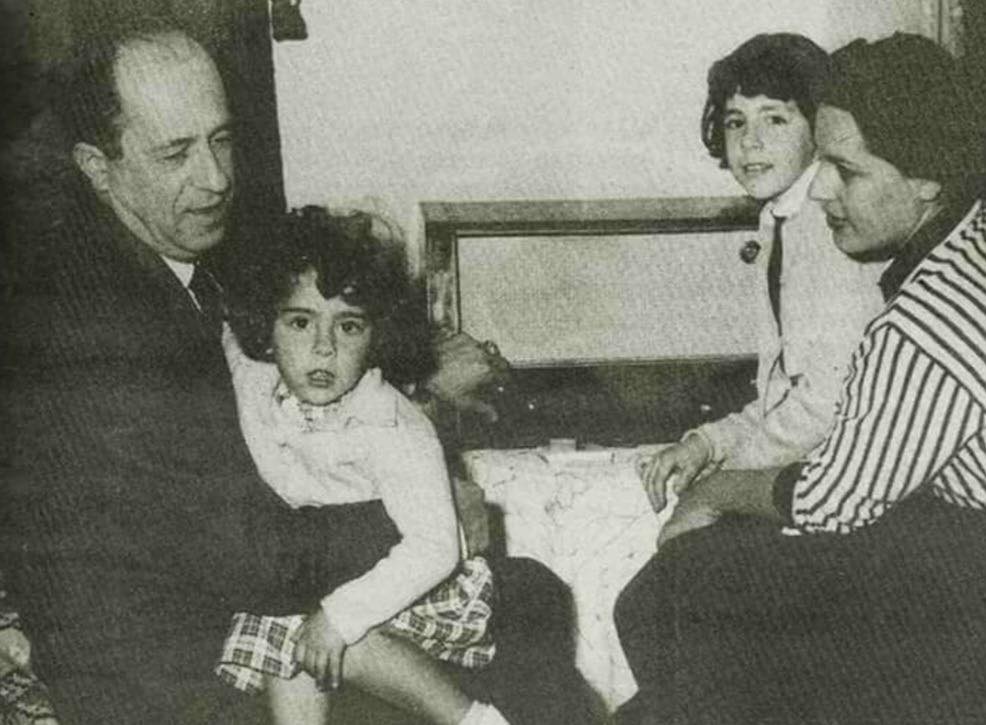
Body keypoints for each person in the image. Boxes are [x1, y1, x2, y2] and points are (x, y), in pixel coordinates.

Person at [0, 16, 589, 725]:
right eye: (176, 153)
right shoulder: (95, 321)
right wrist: (424, 518)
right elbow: (241, 548)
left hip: (213, 604)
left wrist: (413, 400)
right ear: (99, 168)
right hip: (169, 670)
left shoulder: (165, 265)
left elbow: (272, 399)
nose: (215, 178)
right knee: (521, 640)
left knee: (530, 597)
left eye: (221, 140)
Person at [615, 33, 986, 725]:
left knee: (668, 592)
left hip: (966, 588)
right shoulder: (970, 241)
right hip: (949, 540)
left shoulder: (925, 319)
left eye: (845, 170)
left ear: (926, 178)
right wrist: (714, 448)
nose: (821, 189)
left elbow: (831, 500)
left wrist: (714, 491)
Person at [215, 212, 507, 725]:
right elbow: (226, 337)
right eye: (300, 322)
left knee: (347, 641)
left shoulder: (393, 426)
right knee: (287, 644)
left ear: (377, 337)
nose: (323, 347)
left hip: (405, 585)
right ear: (267, 330)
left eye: (349, 326)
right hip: (315, 578)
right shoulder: (256, 381)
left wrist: (339, 618)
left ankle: (474, 719)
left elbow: (434, 549)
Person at [638, 33, 886, 512]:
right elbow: (785, 396)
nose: (750, 141)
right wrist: (706, 444)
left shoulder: (833, 229)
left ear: (819, 131)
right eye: (736, 122)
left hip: (845, 490)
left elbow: (825, 404)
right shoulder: (781, 219)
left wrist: (726, 478)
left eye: (775, 118)